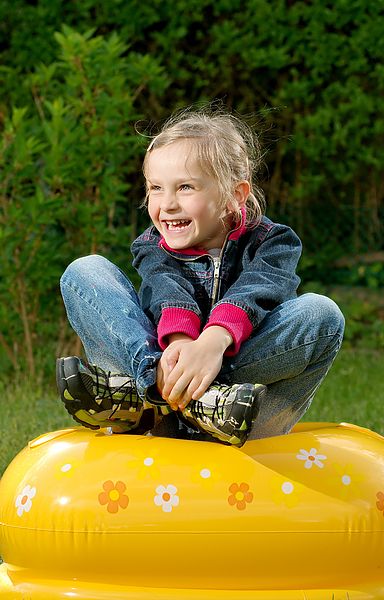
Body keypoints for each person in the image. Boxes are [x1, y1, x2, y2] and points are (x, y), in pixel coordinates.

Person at [56, 107, 345, 447]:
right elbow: (168, 292)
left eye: (186, 188)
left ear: (233, 196)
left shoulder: (274, 243)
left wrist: (213, 342)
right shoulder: (152, 246)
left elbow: (257, 290)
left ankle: (175, 399)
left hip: (239, 410)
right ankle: (157, 384)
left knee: (322, 315)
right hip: (162, 370)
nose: (167, 204)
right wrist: (179, 345)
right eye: (156, 188)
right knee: (84, 271)